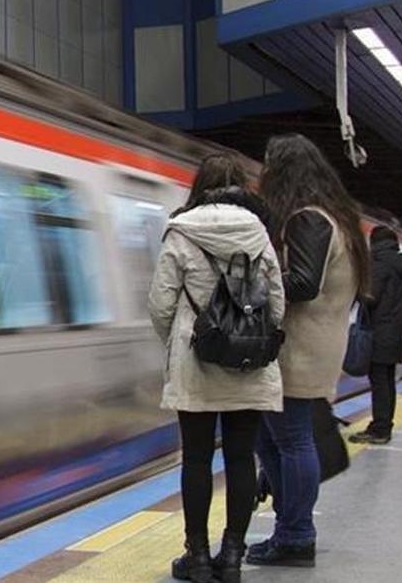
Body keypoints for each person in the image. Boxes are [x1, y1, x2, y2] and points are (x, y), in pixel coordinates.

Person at [148, 154, 285, 583]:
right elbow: (278, 305)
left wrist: (181, 339)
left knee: (197, 459)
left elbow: (160, 304)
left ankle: (198, 557)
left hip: (196, 362)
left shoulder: (181, 232)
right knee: (241, 457)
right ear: (241, 187)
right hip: (248, 363)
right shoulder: (259, 234)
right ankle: (232, 557)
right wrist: (252, 334)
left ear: (200, 186)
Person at [250, 134, 369, 568]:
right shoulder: (337, 218)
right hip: (315, 344)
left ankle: (297, 535)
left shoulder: (308, 219)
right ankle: (289, 529)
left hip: (300, 349)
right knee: (273, 438)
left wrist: (254, 288)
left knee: (291, 440)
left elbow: (302, 283)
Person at [350, 225, 402, 444]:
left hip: (381, 332)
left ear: (373, 242)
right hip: (396, 333)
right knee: (386, 381)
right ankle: (384, 425)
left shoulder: (379, 263)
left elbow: (370, 296)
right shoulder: (400, 263)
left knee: (379, 382)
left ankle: (380, 430)